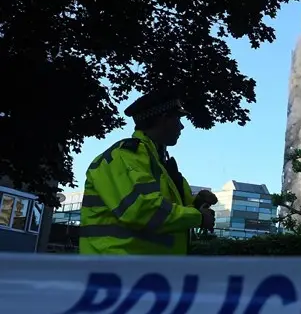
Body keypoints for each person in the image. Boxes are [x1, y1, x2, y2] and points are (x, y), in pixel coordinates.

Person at [78, 89, 217, 255]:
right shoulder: (125, 156)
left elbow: (169, 211)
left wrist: (197, 204)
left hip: (140, 273)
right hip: (119, 272)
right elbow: (142, 210)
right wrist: (198, 217)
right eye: (178, 118)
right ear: (163, 118)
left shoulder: (157, 163)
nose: (181, 126)